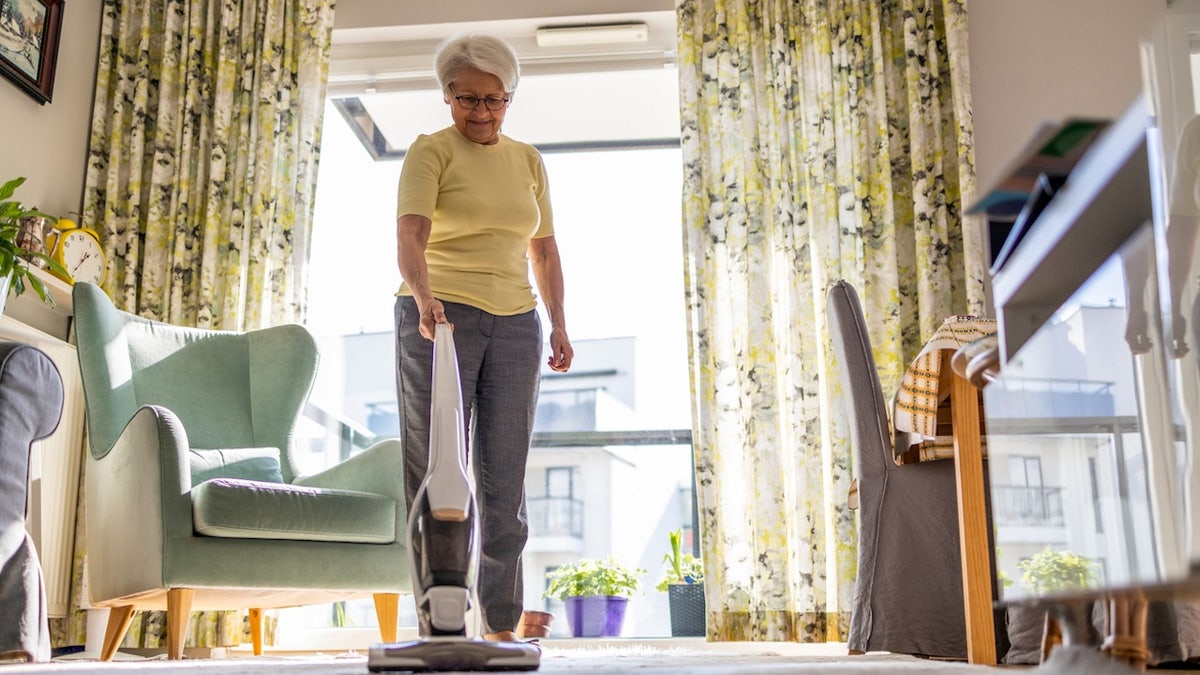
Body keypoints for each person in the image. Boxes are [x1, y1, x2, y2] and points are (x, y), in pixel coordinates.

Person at [393, 32, 574, 643]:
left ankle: (500, 625)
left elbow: (543, 249)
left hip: (517, 322)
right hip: (440, 315)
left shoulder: (527, 159)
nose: (483, 112)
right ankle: (437, 620)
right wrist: (424, 301)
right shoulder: (430, 151)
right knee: (436, 468)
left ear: (508, 98)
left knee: (505, 475)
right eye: (468, 99)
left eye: (495, 99)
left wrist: (559, 322)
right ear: (447, 96)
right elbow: (411, 238)